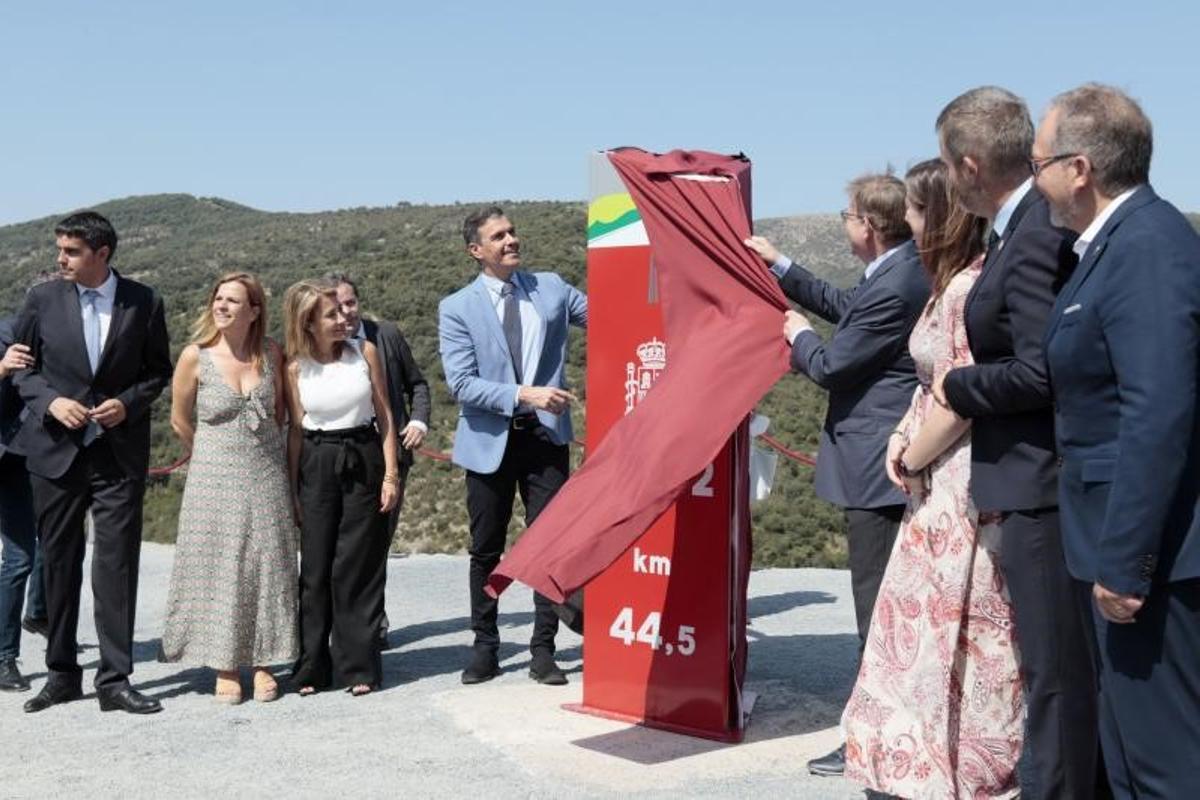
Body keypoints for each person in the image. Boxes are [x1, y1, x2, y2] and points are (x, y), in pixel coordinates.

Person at [934, 86, 1103, 799]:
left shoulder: (1033, 233)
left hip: (1039, 486)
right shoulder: (1027, 224)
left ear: (970, 167)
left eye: (947, 167)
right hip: (1031, 483)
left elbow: (1044, 368)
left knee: (1056, 680)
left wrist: (960, 388)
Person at [1037, 84, 1200, 799]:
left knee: (1165, 766)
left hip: (1151, 561)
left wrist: (1128, 562)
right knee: (1130, 758)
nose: (1033, 176)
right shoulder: (1111, 246)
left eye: (1038, 161)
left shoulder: (1147, 247)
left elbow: (1157, 412)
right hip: (1118, 545)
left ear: (1079, 168)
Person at [842, 159, 1023, 798]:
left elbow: (956, 396)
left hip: (954, 481)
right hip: (936, 474)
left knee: (956, 622)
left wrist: (913, 455)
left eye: (916, 212)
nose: (909, 224)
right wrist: (905, 439)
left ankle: (954, 759)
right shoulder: (955, 282)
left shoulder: (962, 291)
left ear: (940, 217)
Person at [745, 173, 930, 776]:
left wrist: (796, 336)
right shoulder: (900, 271)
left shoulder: (899, 280)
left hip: (878, 467)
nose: (843, 222)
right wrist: (783, 266)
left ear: (868, 227)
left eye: (847, 215)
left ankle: (869, 741)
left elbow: (831, 365)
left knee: (875, 607)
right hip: (886, 461)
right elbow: (851, 307)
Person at [12, 211, 172, 714]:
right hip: (55, 451)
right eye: (60, 249)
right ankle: (61, 673)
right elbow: (22, 368)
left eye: (71, 251)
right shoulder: (41, 298)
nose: (60, 259)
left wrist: (128, 403)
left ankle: (115, 680)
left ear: (102, 254)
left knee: (116, 565)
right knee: (59, 563)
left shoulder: (145, 301)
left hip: (118, 452)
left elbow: (157, 373)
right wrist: (49, 402)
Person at [438, 206, 587, 686]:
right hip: (488, 443)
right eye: (498, 236)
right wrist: (524, 394)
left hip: (546, 439)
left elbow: (616, 313)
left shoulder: (553, 288)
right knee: (487, 549)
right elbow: (462, 384)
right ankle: (485, 647)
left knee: (549, 545)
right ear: (476, 251)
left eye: (513, 231)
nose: (511, 240)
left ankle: (544, 650)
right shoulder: (457, 307)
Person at [160, 272, 299, 704]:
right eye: (218, 298)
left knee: (268, 565)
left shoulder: (272, 353)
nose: (221, 306)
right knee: (219, 566)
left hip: (266, 474)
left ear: (254, 310)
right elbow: (180, 419)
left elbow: (281, 415)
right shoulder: (193, 357)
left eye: (233, 301)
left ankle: (263, 661)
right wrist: (212, 453)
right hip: (212, 478)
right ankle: (224, 663)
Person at [282, 279, 399, 697]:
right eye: (330, 315)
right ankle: (312, 667)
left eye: (341, 311)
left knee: (357, 566)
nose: (342, 319)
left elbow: (385, 416)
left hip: (363, 456)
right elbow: (295, 432)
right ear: (308, 323)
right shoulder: (294, 368)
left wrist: (390, 474)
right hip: (316, 461)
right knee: (315, 569)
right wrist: (294, 491)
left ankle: (359, 667)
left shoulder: (364, 353)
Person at [327, 272, 431, 648]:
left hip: (389, 459)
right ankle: (337, 625)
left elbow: (417, 383)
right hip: (337, 459)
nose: (345, 313)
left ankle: (372, 623)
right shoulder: (316, 343)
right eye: (336, 307)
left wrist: (418, 419)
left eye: (350, 303)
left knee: (377, 544)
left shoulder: (385, 334)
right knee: (339, 545)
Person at [0, 314, 46, 692]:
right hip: (9, 461)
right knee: (19, 559)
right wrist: (2, 368)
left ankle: (39, 612)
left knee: (60, 543)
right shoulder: (6, 335)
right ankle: (4, 658)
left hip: (50, 456)